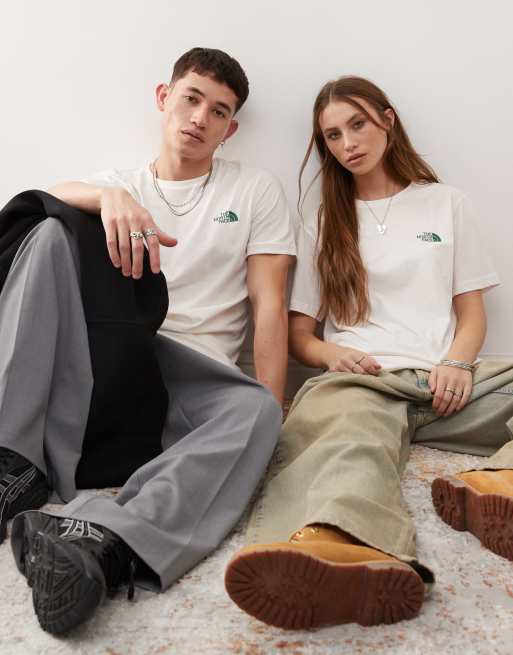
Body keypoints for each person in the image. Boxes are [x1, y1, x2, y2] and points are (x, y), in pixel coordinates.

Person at [0, 47, 296, 634]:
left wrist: (273, 417)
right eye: (191, 99)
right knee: (51, 230)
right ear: (165, 98)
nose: (200, 118)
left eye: (218, 111)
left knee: (261, 409)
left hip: (194, 374)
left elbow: (269, 305)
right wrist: (106, 197)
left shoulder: (254, 190)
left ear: (230, 128)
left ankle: (104, 545)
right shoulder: (120, 183)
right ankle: (9, 462)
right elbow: (51, 193)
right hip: (116, 350)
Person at [224, 75, 513, 630]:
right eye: (332, 135)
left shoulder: (445, 203)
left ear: (387, 120)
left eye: (356, 124)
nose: (347, 143)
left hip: (447, 384)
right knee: (348, 445)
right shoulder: (321, 220)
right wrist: (332, 356)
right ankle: (340, 544)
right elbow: (300, 334)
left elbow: (472, 314)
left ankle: (497, 488)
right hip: (365, 382)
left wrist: (456, 363)